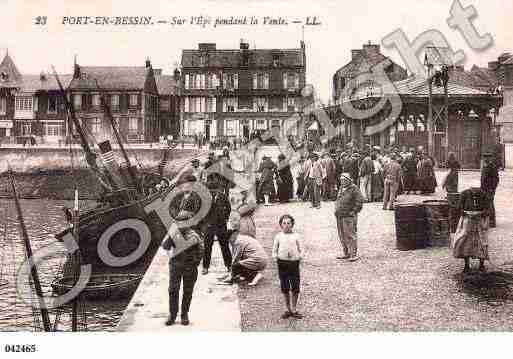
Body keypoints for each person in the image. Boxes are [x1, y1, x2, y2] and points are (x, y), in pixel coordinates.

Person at [221, 211, 268, 286]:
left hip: (258, 260)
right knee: (239, 265)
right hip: (261, 259)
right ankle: (248, 275)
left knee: (236, 266)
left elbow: (235, 259)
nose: (230, 242)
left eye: (230, 240)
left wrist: (231, 275)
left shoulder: (238, 242)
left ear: (232, 237)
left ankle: (255, 275)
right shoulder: (241, 237)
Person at [272, 214, 303, 319]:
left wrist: (300, 257)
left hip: (294, 264)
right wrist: (276, 257)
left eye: (288, 223)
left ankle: (294, 309)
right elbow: (274, 250)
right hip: (282, 264)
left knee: (295, 287)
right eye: (284, 223)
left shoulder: (296, 236)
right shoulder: (278, 236)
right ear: (280, 225)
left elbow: (301, 249)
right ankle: (287, 308)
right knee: (285, 287)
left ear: (292, 224)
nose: (286, 225)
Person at [452, 187, 489, 273]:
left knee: (481, 241)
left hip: (479, 221)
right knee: (465, 241)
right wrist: (466, 213)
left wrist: (481, 214)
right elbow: (459, 208)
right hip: (467, 220)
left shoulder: (483, 194)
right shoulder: (464, 193)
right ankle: (466, 265)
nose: (475, 193)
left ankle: (481, 264)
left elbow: (488, 209)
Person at [200, 184, 232, 275]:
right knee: (207, 247)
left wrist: (225, 218)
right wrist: (204, 224)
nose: (213, 191)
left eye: (215, 189)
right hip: (209, 226)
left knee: (224, 245)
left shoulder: (223, 196)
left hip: (221, 225)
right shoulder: (204, 198)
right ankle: (205, 267)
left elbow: (228, 208)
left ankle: (229, 265)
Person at [334, 173, 364, 261]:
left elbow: (359, 202)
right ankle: (346, 253)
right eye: (341, 180)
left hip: (349, 216)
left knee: (350, 235)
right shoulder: (341, 188)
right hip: (340, 215)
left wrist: (353, 211)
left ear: (348, 180)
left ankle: (353, 254)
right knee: (342, 235)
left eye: (344, 180)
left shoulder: (354, 189)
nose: (342, 182)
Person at [481, 152, 499, 228]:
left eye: (487, 157)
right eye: (485, 157)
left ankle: (492, 222)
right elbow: (483, 178)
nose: (485, 159)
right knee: (487, 204)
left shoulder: (492, 167)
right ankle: (488, 221)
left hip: (489, 189)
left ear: (490, 158)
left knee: (490, 204)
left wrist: (492, 188)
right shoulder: (485, 166)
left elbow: (496, 179)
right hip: (484, 189)